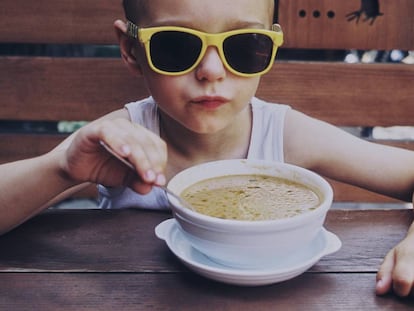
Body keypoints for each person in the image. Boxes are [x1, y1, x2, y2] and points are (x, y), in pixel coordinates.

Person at [0, 0, 414, 297]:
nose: (212, 71)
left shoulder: (284, 133)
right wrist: (61, 168)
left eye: (243, 46)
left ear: (270, 46)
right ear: (131, 49)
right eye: (176, 46)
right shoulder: (118, 138)